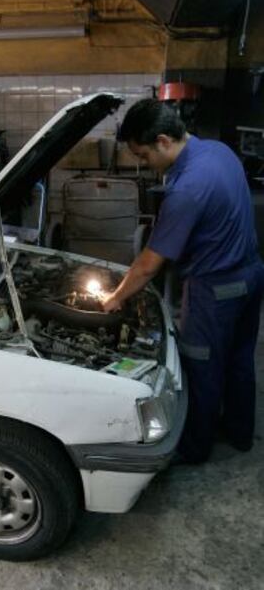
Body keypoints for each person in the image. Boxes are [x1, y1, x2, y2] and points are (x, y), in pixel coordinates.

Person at [101, 98, 264, 464]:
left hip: (216, 288)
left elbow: (148, 265)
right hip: (252, 275)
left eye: (143, 156)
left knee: (201, 367)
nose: (144, 165)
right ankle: (240, 434)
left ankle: (194, 448)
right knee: (239, 359)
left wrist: (115, 297)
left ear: (162, 141)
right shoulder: (218, 152)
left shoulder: (188, 189)